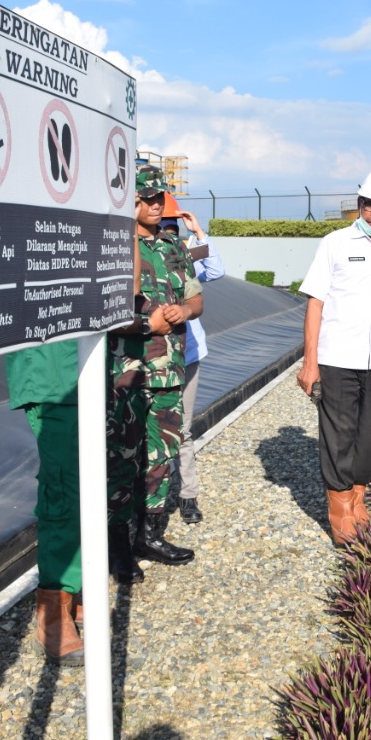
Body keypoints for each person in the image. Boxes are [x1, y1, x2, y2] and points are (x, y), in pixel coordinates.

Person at [297, 168, 371, 545]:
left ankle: (359, 498)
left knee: (369, 435)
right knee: (338, 433)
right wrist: (310, 361)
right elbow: (315, 302)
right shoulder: (334, 243)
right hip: (337, 357)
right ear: (361, 204)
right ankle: (339, 507)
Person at [106, 167, 203, 584]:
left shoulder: (173, 245)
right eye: (147, 199)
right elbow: (105, 314)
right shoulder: (113, 246)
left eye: (159, 197)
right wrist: (148, 325)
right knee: (124, 459)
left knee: (162, 456)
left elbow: (196, 299)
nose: (156, 204)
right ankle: (118, 547)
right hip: (129, 373)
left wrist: (183, 311)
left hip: (168, 372)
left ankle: (149, 535)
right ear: (129, 202)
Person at [6, 340, 83, 665]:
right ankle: (53, 609)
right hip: (54, 377)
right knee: (63, 492)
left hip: (86, 371)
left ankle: (74, 592)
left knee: (88, 492)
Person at [165, 209, 225, 524]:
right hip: (153, 357)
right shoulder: (141, 261)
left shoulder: (183, 259)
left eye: (170, 230)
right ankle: (151, 497)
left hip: (185, 356)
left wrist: (199, 232)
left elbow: (215, 270)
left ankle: (188, 495)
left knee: (182, 429)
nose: (166, 235)